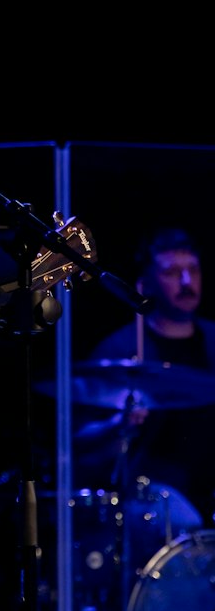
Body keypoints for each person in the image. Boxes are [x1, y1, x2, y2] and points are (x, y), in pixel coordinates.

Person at [73, 226, 215, 575]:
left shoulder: (213, 340)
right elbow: (79, 446)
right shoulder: (121, 352)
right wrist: (117, 426)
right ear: (146, 284)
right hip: (154, 499)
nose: (186, 281)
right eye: (171, 272)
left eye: (193, 271)